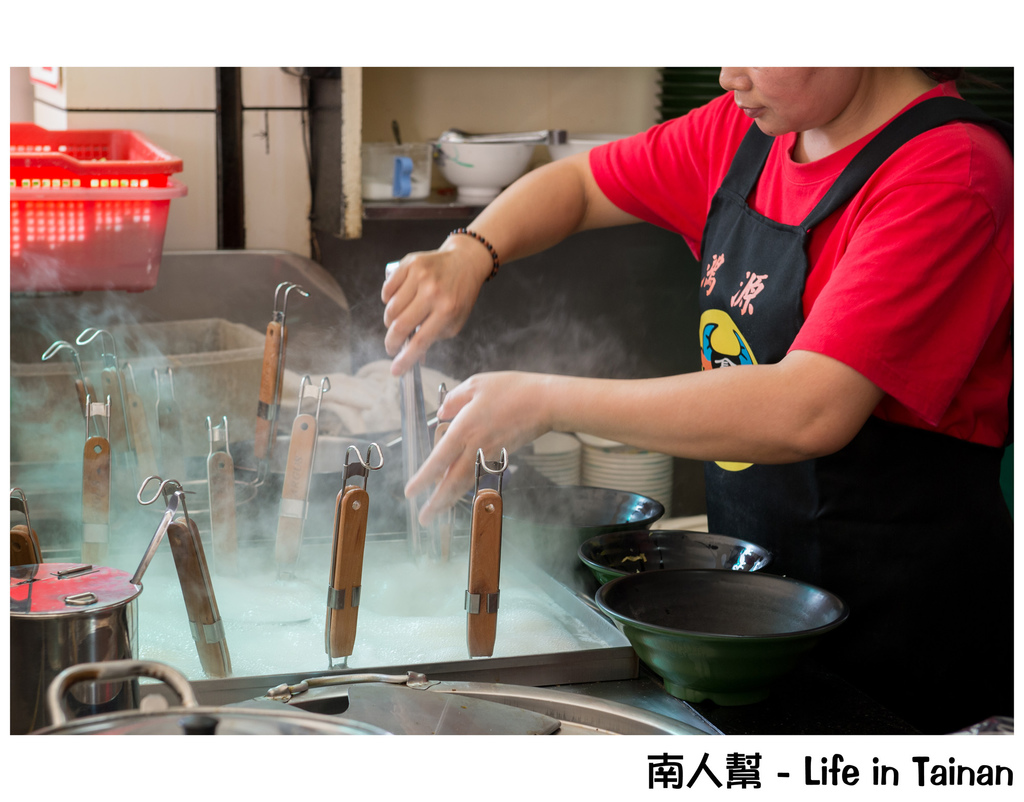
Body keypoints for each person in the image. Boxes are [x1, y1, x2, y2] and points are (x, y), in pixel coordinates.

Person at [380, 68, 1013, 734]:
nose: (727, 73)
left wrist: (545, 401)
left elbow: (808, 409)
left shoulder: (952, 171)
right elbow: (580, 183)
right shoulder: (747, 131)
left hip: (898, 643)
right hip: (753, 615)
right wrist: (468, 251)